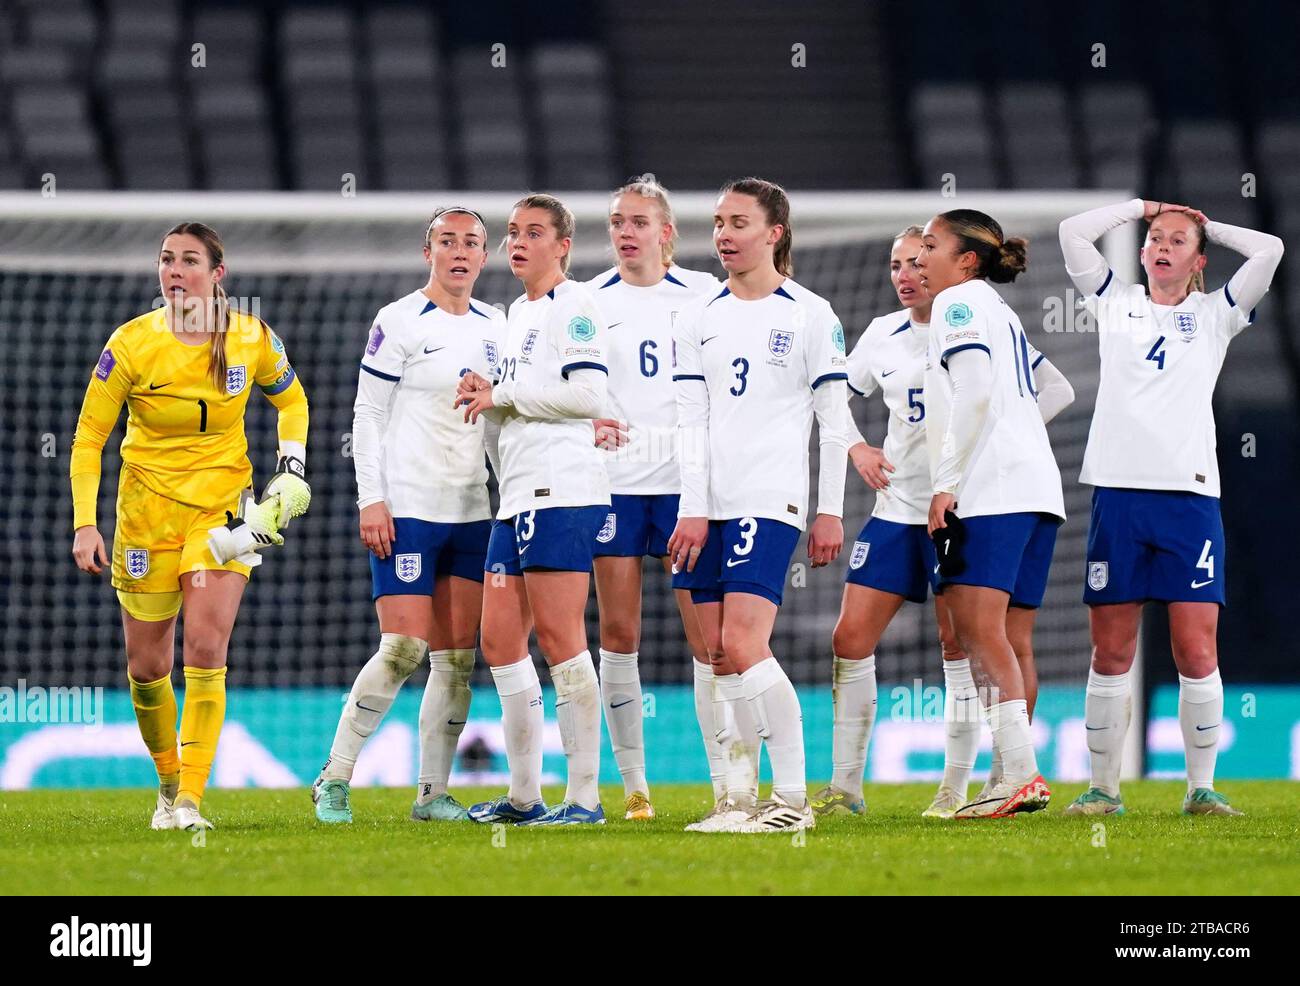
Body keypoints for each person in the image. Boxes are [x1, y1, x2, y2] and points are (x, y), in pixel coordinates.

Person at [70, 222, 310, 832]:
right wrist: (85, 524)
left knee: (206, 647)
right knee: (148, 667)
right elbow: (89, 439)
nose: (174, 271)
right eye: (166, 260)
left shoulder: (249, 337)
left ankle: (190, 802)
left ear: (216, 275)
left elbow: (293, 401)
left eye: (188, 261)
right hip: (146, 514)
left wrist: (291, 467)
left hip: (221, 510)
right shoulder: (130, 345)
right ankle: (168, 782)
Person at [1058, 199, 1283, 817]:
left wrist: (1206, 223)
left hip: (1189, 500)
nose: (1162, 246)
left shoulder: (1218, 315)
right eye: (1155, 237)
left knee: (1196, 648)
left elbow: (1270, 249)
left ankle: (1200, 788)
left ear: (1199, 260)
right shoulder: (1115, 302)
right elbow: (1070, 231)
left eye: (1178, 241)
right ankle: (1104, 790)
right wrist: (1141, 207)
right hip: (1118, 495)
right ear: (1140, 249)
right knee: (1110, 651)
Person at [668, 177, 854, 833]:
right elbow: (689, 420)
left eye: (739, 221)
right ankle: (741, 800)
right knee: (717, 655)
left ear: (774, 232)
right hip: (705, 505)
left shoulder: (811, 313)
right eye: (718, 221)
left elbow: (835, 422)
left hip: (768, 498)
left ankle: (794, 801)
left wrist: (828, 509)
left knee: (744, 642)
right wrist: (691, 506)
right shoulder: (698, 316)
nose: (723, 234)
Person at [312, 207, 507, 824]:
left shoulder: (498, 326)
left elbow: (503, 414)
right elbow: (367, 415)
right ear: (429, 252)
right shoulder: (397, 320)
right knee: (401, 648)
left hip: (473, 509)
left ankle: (432, 793)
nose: (459, 251)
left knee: (457, 659)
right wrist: (372, 497)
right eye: (446, 241)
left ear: (483, 255)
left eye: (471, 243)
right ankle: (334, 778)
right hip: (410, 509)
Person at [455, 193, 611, 826]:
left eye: (534, 233)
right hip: (517, 493)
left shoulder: (576, 307)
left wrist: (505, 393)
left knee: (561, 639)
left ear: (563, 246)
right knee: (498, 640)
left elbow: (589, 393)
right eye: (513, 232)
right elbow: (518, 400)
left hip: (564, 490)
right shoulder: (515, 313)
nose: (517, 242)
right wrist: (488, 401)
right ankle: (524, 797)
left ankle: (585, 799)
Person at [917, 209, 1066, 820]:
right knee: (1014, 638)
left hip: (993, 493)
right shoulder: (999, 312)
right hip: (1038, 491)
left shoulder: (956, 308)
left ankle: (1022, 775)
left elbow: (975, 394)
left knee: (979, 633)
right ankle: (1008, 775)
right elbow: (1058, 390)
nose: (920, 255)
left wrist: (947, 481)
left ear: (966, 260)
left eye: (930, 245)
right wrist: (1017, 435)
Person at [585, 174, 722, 821]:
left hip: (685, 484)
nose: (624, 233)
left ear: (666, 233)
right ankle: (635, 786)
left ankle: (728, 782)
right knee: (618, 631)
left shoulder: (702, 294)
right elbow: (569, 385)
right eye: (616, 222)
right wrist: (584, 419)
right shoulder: (586, 300)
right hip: (613, 486)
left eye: (637, 222)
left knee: (708, 637)